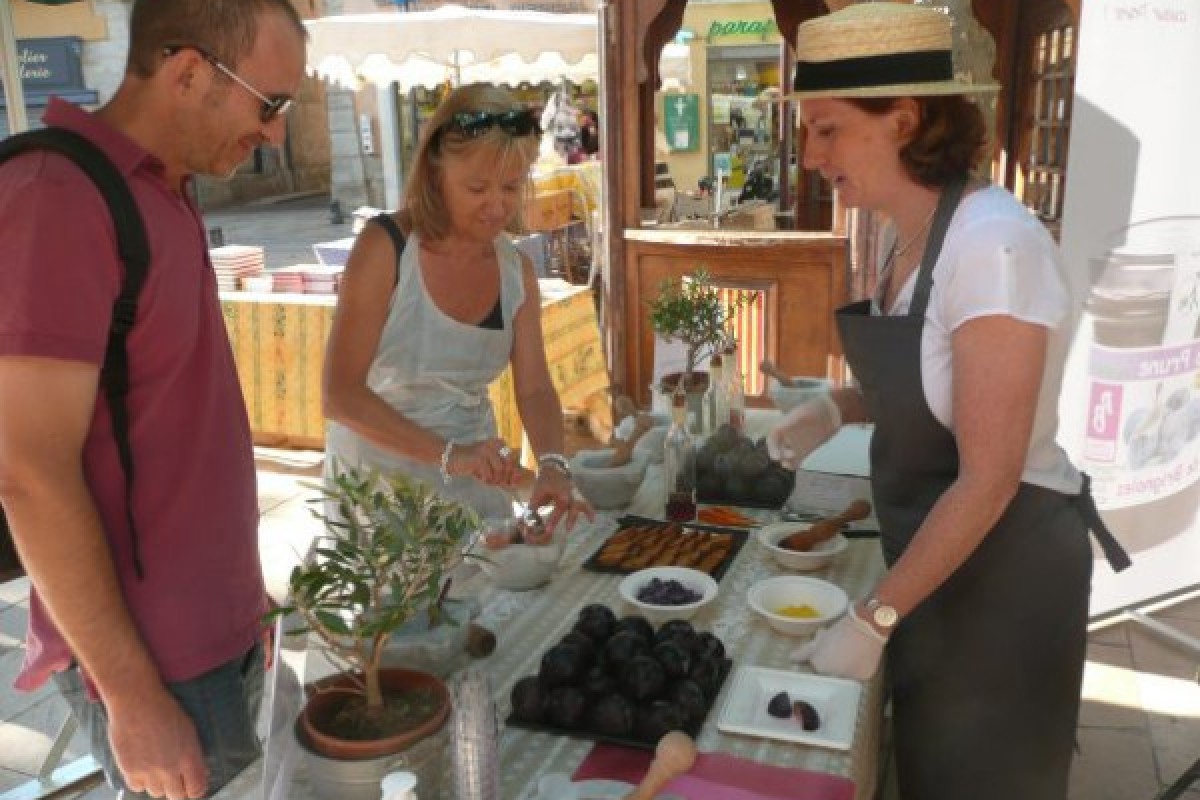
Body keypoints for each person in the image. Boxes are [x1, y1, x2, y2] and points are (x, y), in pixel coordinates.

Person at [767, 5, 1129, 800]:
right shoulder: (910, 230)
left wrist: (872, 619)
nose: (811, 154)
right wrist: (835, 405)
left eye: (827, 130)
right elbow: (933, 381)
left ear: (902, 120)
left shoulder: (993, 247)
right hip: (934, 562)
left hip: (1003, 577)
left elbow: (990, 476)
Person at [0, 2, 307, 798]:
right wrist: (133, 695)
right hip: (154, 663)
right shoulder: (54, 195)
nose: (276, 132)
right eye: (269, 103)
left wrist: (243, 602)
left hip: (216, 634)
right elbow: (26, 469)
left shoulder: (167, 184)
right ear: (188, 73)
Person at [323, 83, 593, 536]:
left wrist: (550, 463)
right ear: (435, 172)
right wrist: (450, 454)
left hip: (472, 483)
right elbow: (340, 395)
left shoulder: (516, 271)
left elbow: (534, 389)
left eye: (510, 187)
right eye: (476, 187)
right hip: (376, 490)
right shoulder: (385, 249)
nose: (496, 205)